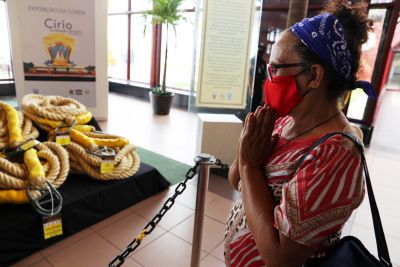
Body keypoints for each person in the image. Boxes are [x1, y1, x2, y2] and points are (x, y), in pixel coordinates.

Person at [225, 1, 375, 267]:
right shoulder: (284, 121)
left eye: (276, 69)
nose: (267, 79)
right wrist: (246, 146)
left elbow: (279, 258)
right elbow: (234, 179)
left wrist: (250, 165)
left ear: (314, 76)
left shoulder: (336, 153)